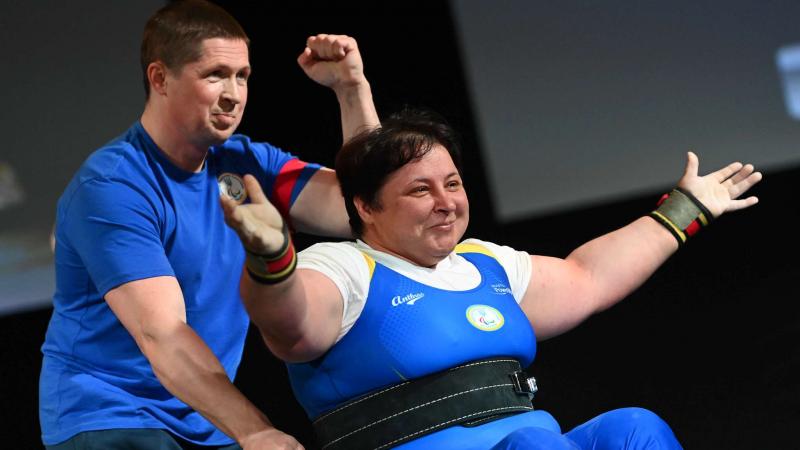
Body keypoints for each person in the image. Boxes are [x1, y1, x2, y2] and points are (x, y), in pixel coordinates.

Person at [221, 110, 762, 449]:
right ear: (365, 205)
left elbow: (588, 277)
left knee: (633, 428)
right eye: (419, 191)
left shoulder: (483, 264)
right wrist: (272, 258)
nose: (445, 203)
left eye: (452, 183)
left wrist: (687, 209)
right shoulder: (341, 267)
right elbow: (290, 327)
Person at [39, 1, 379, 449]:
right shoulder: (112, 186)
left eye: (242, 76)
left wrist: (351, 90)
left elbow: (360, 208)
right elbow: (162, 333)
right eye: (215, 74)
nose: (233, 94)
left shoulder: (244, 161)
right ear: (159, 78)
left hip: (203, 416)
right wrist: (255, 430)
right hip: (111, 415)